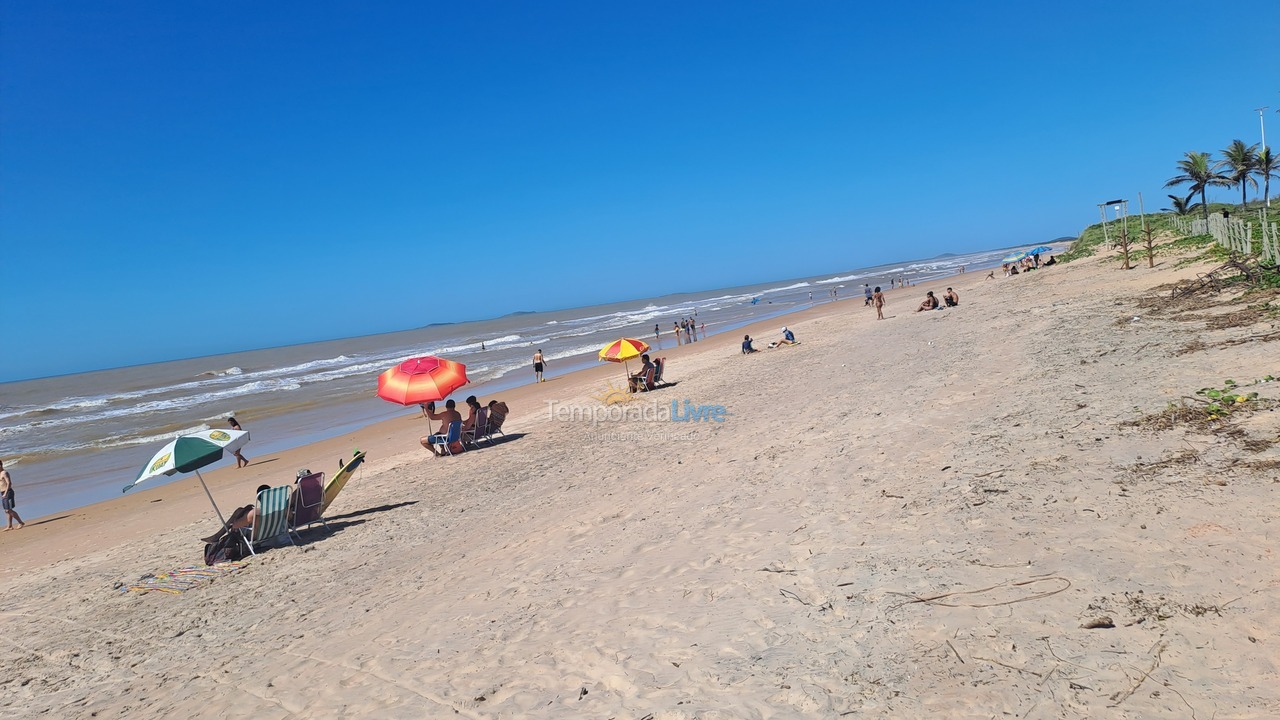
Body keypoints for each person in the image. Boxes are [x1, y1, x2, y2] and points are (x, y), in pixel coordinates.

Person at [200, 484, 270, 543]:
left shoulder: (255, 513)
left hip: (254, 536)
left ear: (258, 498)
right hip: (269, 533)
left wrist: (238, 517)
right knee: (241, 510)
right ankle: (216, 537)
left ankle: (216, 537)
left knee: (239, 514)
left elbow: (235, 526)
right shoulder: (275, 510)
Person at [0, 460, 24, 530]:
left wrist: (5, 493)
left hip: (8, 492)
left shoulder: (4, 473)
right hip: (3, 493)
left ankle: (20, 522)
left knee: (8, 510)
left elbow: (9, 483)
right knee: (7, 510)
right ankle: (9, 526)